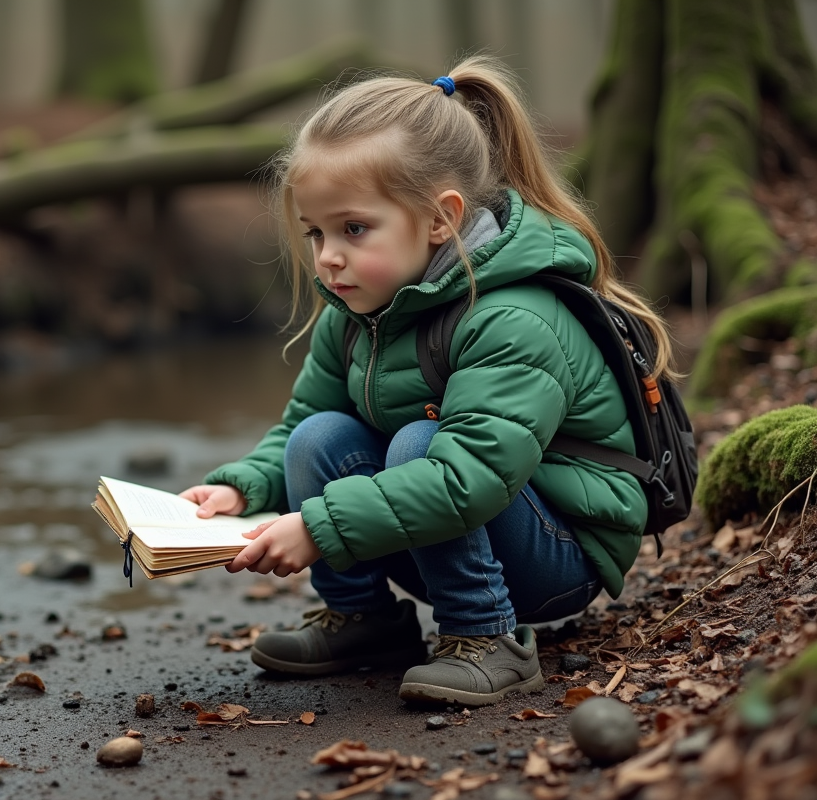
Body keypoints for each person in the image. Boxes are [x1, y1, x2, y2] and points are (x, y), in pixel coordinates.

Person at [179, 56, 677, 707]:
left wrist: (318, 528)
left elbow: (470, 476)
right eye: (317, 232)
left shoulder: (514, 316)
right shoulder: (357, 312)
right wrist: (240, 489)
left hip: (558, 553)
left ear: (441, 219)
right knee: (317, 437)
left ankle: (487, 637)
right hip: (451, 524)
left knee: (422, 441)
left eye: (354, 229)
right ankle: (364, 621)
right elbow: (300, 427)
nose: (329, 256)